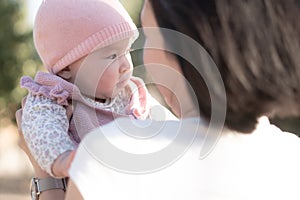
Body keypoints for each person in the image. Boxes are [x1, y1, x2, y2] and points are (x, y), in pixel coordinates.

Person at [16, 0, 300, 199]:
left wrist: (46, 176)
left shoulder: (110, 154)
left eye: (147, 37)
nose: (130, 64)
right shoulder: (290, 157)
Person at [20, 0, 176, 181]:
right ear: (66, 68)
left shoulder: (132, 92)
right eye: (112, 56)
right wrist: (64, 159)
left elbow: (173, 127)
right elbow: (41, 127)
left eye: (128, 50)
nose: (126, 65)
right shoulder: (54, 97)